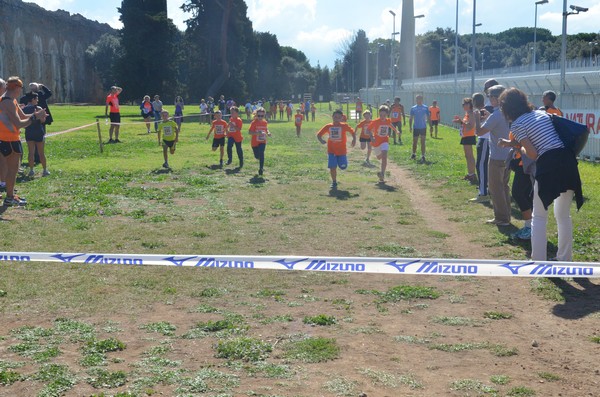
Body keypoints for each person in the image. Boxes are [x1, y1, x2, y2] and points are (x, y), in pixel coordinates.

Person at [499, 87, 583, 261]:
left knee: (539, 216)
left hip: (548, 166)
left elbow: (532, 153)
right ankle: (564, 259)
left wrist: (520, 147)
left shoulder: (517, 124)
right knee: (563, 215)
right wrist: (515, 144)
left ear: (507, 109)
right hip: (567, 162)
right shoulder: (541, 114)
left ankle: (538, 260)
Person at [0, 76, 46, 206]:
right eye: (20, 88)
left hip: (13, 138)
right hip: (8, 139)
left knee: (13, 170)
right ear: (16, 87)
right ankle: (9, 198)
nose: (21, 91)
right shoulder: (6, 101)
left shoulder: (12, 100)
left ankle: (10, 195)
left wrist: (37, 116)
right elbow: (19, 123)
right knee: (12, 170)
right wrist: (35, 117)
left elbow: (24, 117)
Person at [475, 85, 511, 226]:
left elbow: (479, 132)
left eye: (490, 97)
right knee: (504, 186)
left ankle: (501, 218)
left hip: (497, 157)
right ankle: (506, 215)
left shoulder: (496, 115)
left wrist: (477, 118)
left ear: (496, 99)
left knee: (495, 188)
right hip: (507, 155)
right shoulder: (506, 113)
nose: (489, 99)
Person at [317, 109, 356, 189]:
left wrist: (354, 139)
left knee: (343, 166)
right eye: (335, 117)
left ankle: (339, 162)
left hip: (342, 151)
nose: (336, 119)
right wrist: (321, 140)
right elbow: (319, 134)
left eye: (338, 117)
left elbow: (352, 132)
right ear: (332, 117)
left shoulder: (344, 126)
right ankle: (334, 182)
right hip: (332, 151)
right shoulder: (328, 126)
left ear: (341, 118)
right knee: (332, 167)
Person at [22, 93, 49, 177]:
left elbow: (22, 121)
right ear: (33, 99)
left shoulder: (24, 109)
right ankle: (44, 170)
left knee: (31, 152)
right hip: (38, 132)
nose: (37, 100)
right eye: (36, 99)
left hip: (29, 132)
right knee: (41, 152)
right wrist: (42, 115)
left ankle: (31, 170)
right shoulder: (38, 108)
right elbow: (42, 121)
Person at [369, 105, 397, 183]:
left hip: (385, 140)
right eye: (381, 115)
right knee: (378, 157)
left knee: (384, 156)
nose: (382, 117)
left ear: (387, 115)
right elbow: (368, 130)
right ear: (379, 114)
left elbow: (390, 125)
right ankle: (382, 173)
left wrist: (396, 131)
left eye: (384, 115)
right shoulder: (375, 121)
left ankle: (382, 174)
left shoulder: (388, 120)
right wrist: (371, 137)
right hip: (376, 142)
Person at [470, 92, 490, 201]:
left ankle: (483, 193)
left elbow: (478, 130)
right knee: (483, 166)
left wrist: (477, 118)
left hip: (485, 140)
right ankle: (485, 189)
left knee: (481, 166)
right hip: (485, 140)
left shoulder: (482, 111)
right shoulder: (486, 110)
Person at [453, 98, 477, 184]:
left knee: (469, 156)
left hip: (469, 136)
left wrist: (461, 122)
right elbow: (465, 125)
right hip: (466, 136)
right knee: (467, 156)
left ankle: (472, 174)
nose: (463, 106)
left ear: (469, 105)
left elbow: (471, 126)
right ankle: (470, 173)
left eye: (464, 104)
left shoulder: (471, 113)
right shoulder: (467, 114)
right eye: (463, 104)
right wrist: (460, 122)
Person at [248, 107, 271, 176]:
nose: (260, 117)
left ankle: (261, 168)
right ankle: (259, 159)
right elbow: (250, 132)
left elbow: (266, 129)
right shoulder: (254, 123)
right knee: (257, 156)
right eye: (259, 116)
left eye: (262, 116)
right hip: (254, 143)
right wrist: (257, 133)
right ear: (256, 115)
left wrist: (268, 132)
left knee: (261, 153)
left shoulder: (265, 122)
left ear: (264, 115)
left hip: (262, 141)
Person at [409, 95, 430, 163]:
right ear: (416, 100)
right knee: (415, 141)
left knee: (422, 142)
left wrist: (431, 126)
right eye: (418, 99)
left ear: (422, 100)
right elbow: (411, 117)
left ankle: (423, 155)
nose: (419, 100)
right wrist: (410, 126)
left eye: (420, 99)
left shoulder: (425, 107)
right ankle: (413, 154)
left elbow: (428, 117)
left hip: (423, 127)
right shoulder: (413, 108)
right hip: (416, 127)